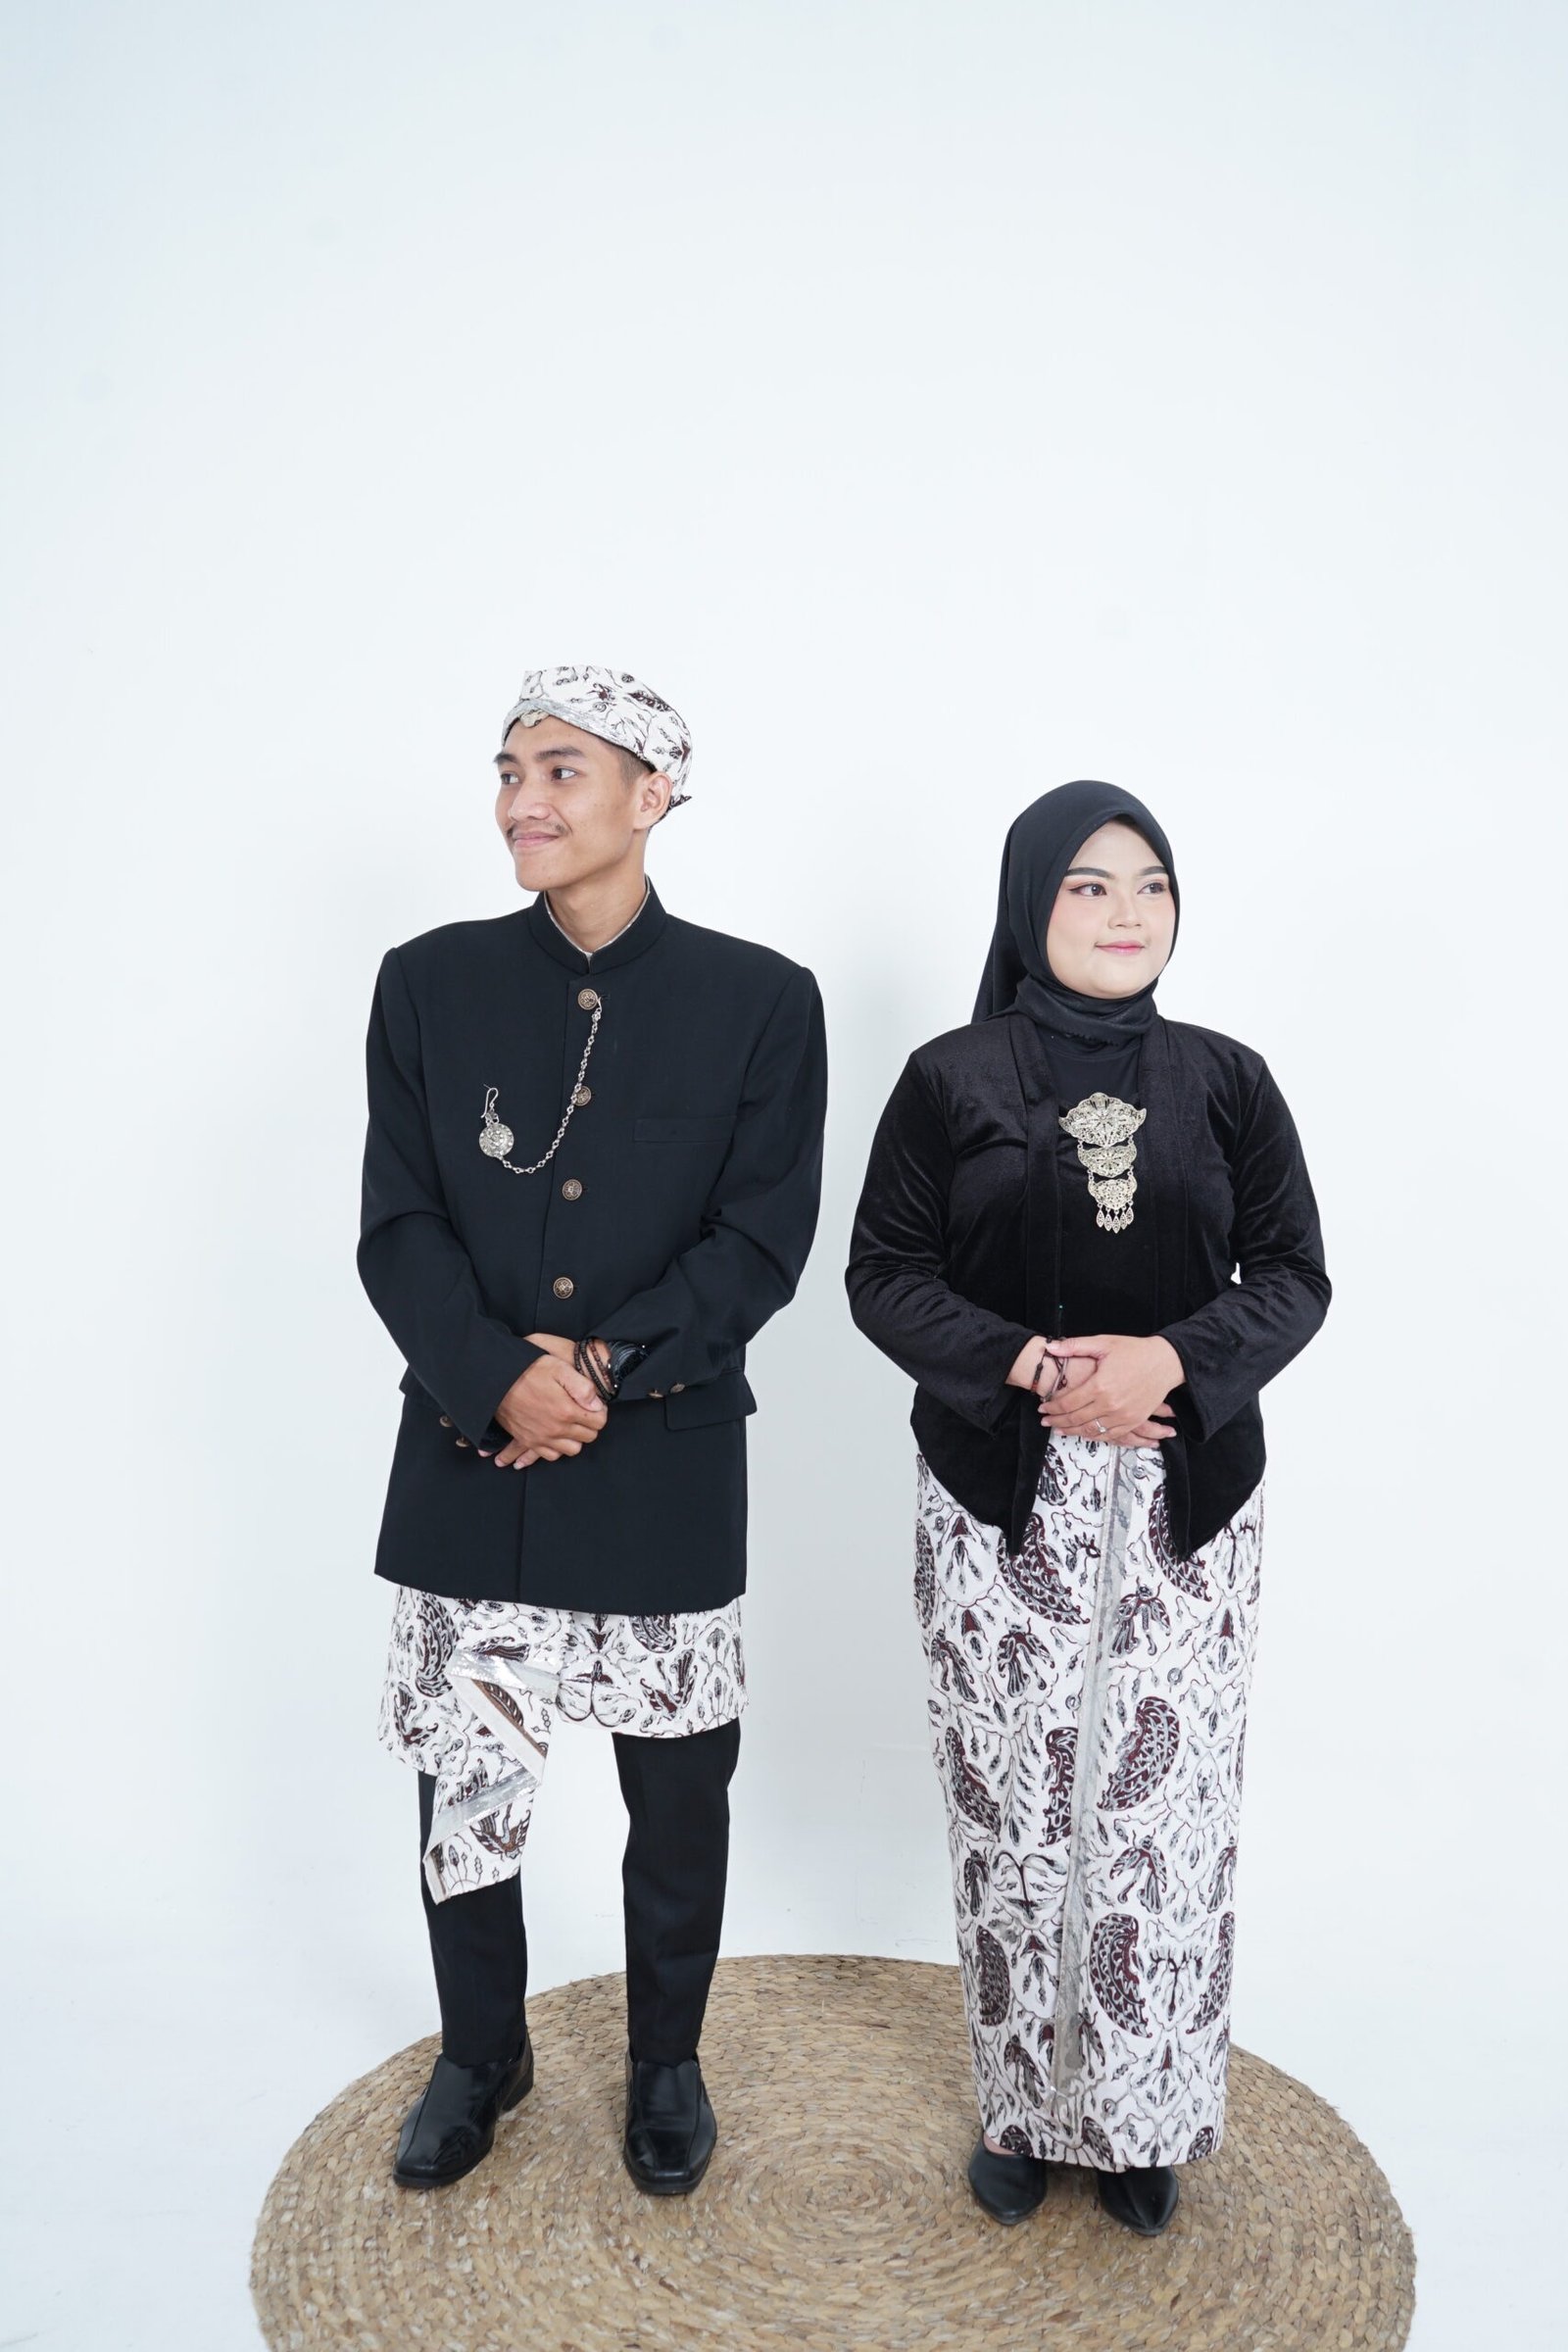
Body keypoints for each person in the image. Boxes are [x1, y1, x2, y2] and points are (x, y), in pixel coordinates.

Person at [359, 664, 826, 2197]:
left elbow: (761, 1245)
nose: (522, 800)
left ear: (653, 792)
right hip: (468, 1459)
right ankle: (480, 2052)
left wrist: (604, 1368)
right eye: (508, 771)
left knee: (679, 1798)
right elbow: (398, 1225)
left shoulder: (763, 1001)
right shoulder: (425, 983)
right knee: (465, 1780)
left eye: (560, 769)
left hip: (664, 1474)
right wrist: (496, 1373)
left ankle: (667, 2063)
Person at [844, 781, 1328, 2237]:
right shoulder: (949, 1079)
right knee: (1015, 1805)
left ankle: (1139, 2122)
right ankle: (1022, 2111)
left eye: (1152, 886)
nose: (1128, 914)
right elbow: (883, 1276)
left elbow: (1294, 1274)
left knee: (1161, 1818)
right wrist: (1032, 1366)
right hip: (999, 1504)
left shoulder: (1229, 1080)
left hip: (1188, 1510)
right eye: (1089, 886)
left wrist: (1170, 1363)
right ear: (1028, 904)